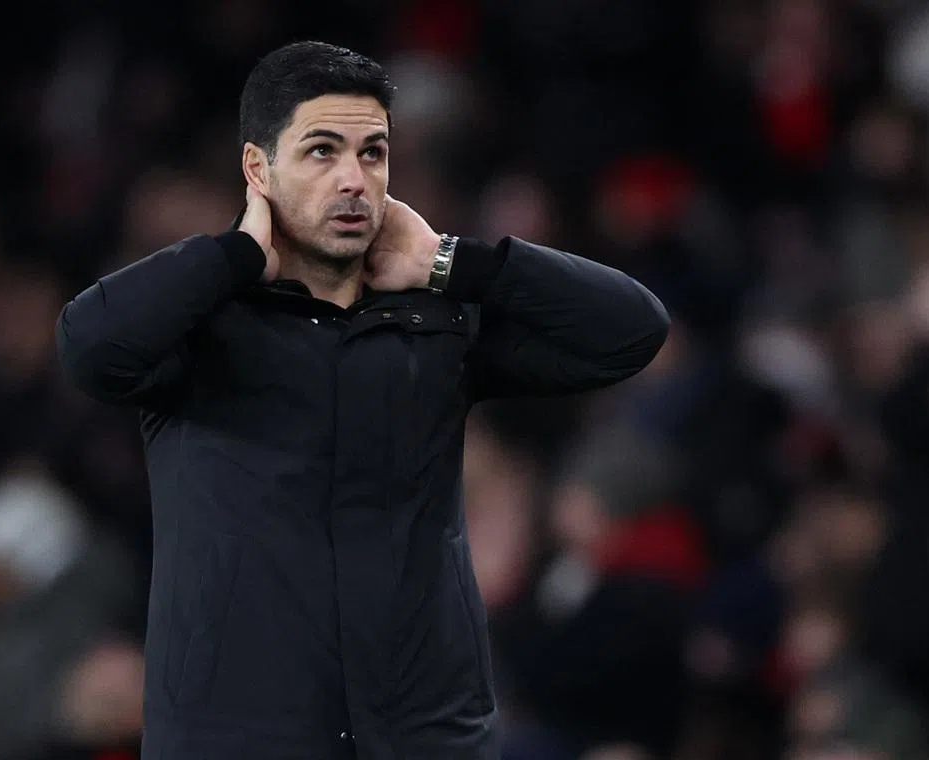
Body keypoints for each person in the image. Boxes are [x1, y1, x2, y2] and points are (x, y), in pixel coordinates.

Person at [55, 40, 669, 760]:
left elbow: (630, 331)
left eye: (372, 153)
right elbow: (89, 348)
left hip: (422, 738)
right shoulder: (199, 327)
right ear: (259, 167)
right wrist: (235, 256)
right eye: (322, 151)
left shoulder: (437, 324)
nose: (354, 179)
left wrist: (451, 261)